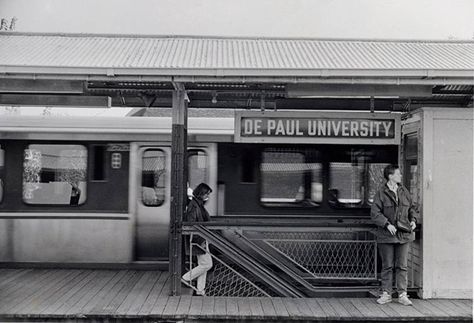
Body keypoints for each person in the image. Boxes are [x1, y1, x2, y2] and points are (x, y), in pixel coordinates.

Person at [371, 165, 418, 306]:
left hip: (403, 235)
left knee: (402, 266)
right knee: (387, 266)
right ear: (390, 176)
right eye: (398, 174)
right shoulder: (380, 193)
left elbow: (412, 208)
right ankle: (386, 294)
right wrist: (387, 224)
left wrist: (413, 220)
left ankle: (402, 294)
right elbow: (375, 213)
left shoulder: (404, 191)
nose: (400, 176)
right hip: (386, 235)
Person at [181, 183, 213, 296]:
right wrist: (200, 241)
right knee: (207, 264)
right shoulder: (194, 206)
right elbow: (192, 224)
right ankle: (186, 278)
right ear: (201, 193)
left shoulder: (197, 204)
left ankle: (200, 290)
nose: (207, 196)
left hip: (202, 238)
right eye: (206, 194)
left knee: (202, 264)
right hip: (198, 240)